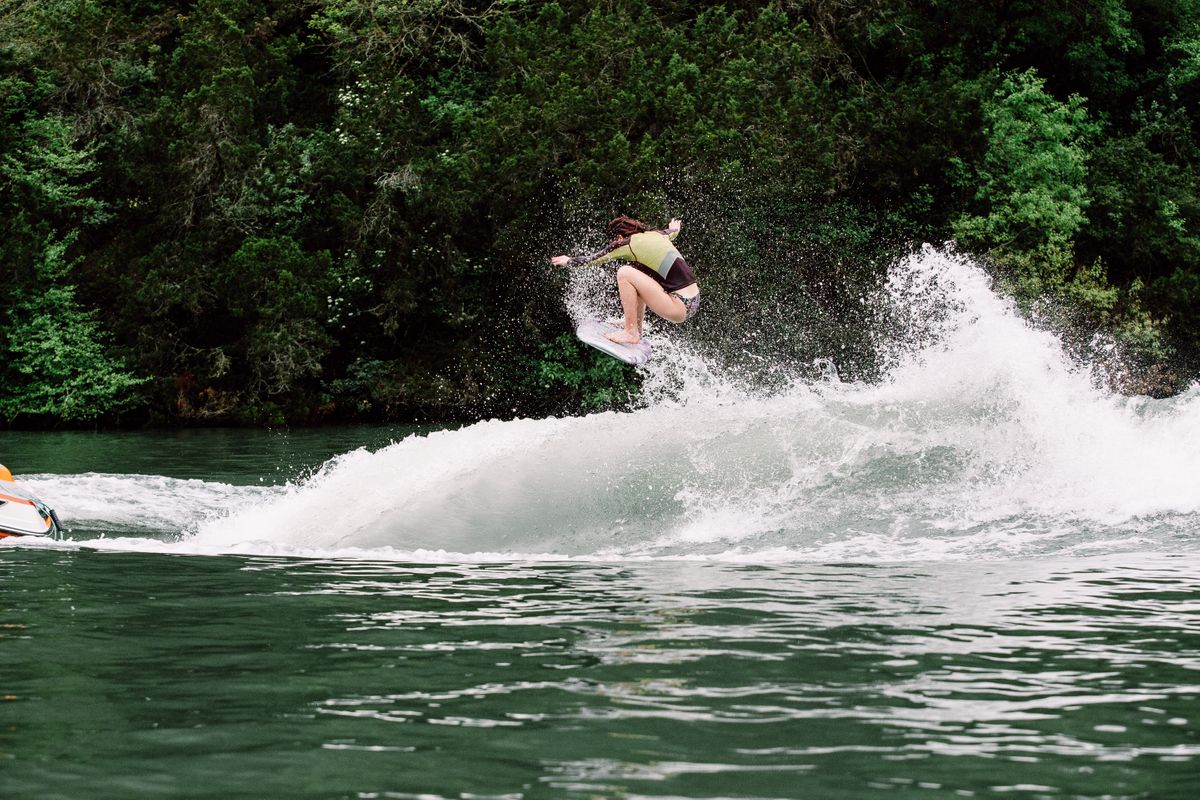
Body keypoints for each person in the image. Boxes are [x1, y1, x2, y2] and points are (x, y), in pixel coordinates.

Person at [551, 215, 700, 344]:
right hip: (692, 301)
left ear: (619, 237)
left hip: (679, 305)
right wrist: (674, 227)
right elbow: (673, 233)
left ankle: (631, 331)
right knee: (638, 274)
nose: (614, 245)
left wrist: (568, 260)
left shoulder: (626, 243)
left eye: (613, 241)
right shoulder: (656, 234)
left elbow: (592, 260)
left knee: (625, 273)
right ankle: (635, 326)